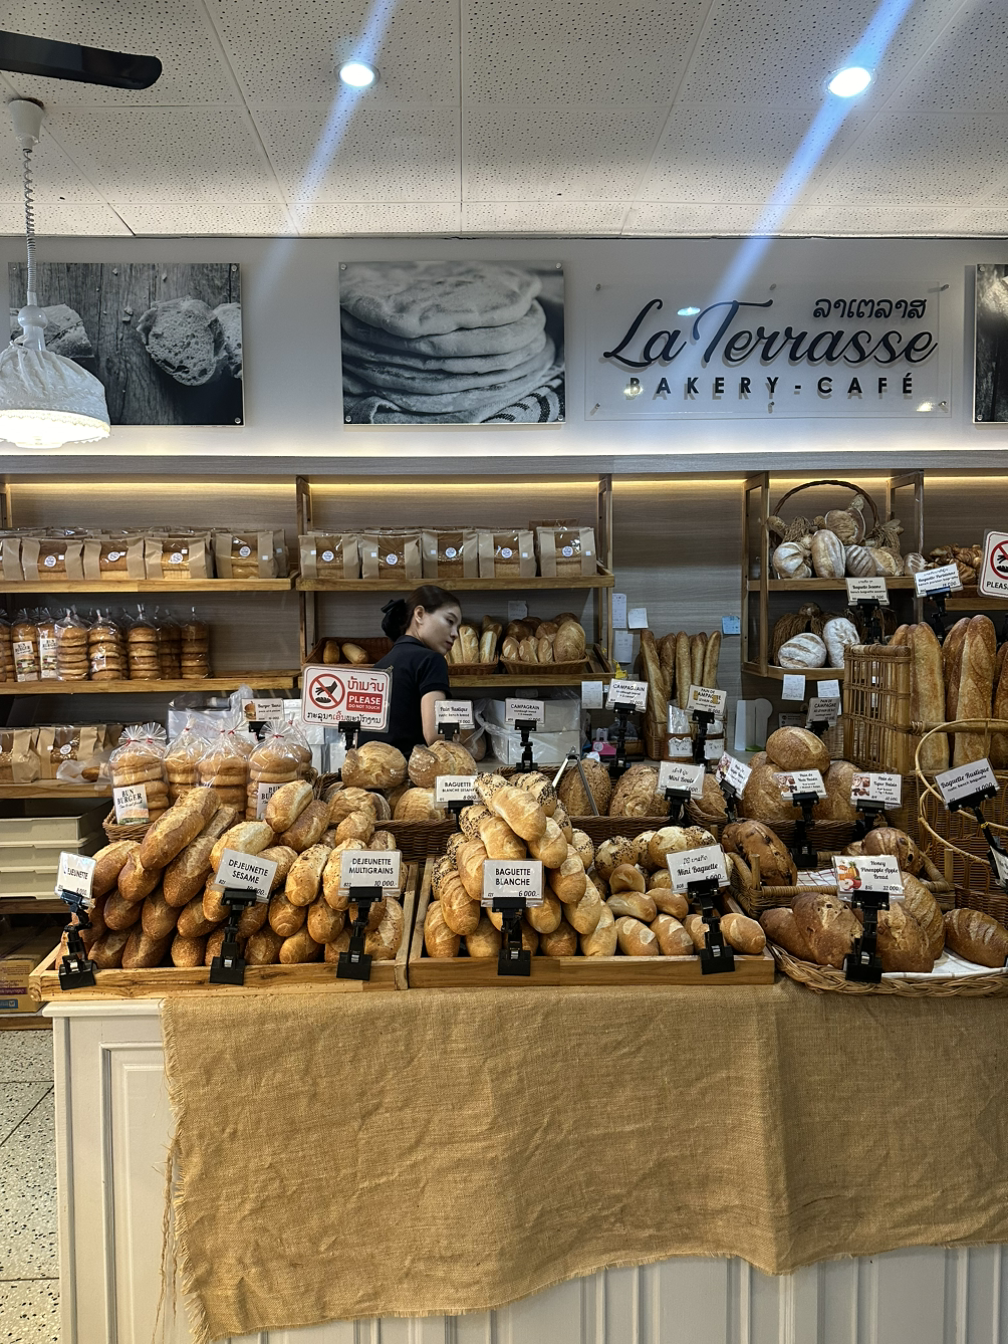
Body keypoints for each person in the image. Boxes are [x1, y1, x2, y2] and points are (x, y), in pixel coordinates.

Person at [357, 584, 462, 758]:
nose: (455, 634)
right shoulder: (431, 660)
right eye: (450, 621)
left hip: (370, 768)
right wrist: (463, 736)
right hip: (410, 769)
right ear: (419, 614)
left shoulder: (381, 665)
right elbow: (434, 735)